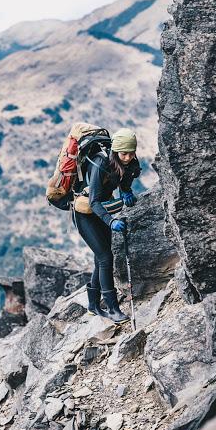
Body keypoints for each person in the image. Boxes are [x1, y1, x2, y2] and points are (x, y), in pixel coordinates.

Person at [73, 128, 141, 323]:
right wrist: (111, 221)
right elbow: (94, 201)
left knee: (99, 259)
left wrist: (126, 191)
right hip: (85, 214)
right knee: (105, 257)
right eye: (124, 153)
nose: (128, 157)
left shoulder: (131, 162)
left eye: (131, 153)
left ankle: (93, 305)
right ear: (116, 151)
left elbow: (124, 179)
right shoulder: (100, 163)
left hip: (103, 212)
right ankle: (112, 309)